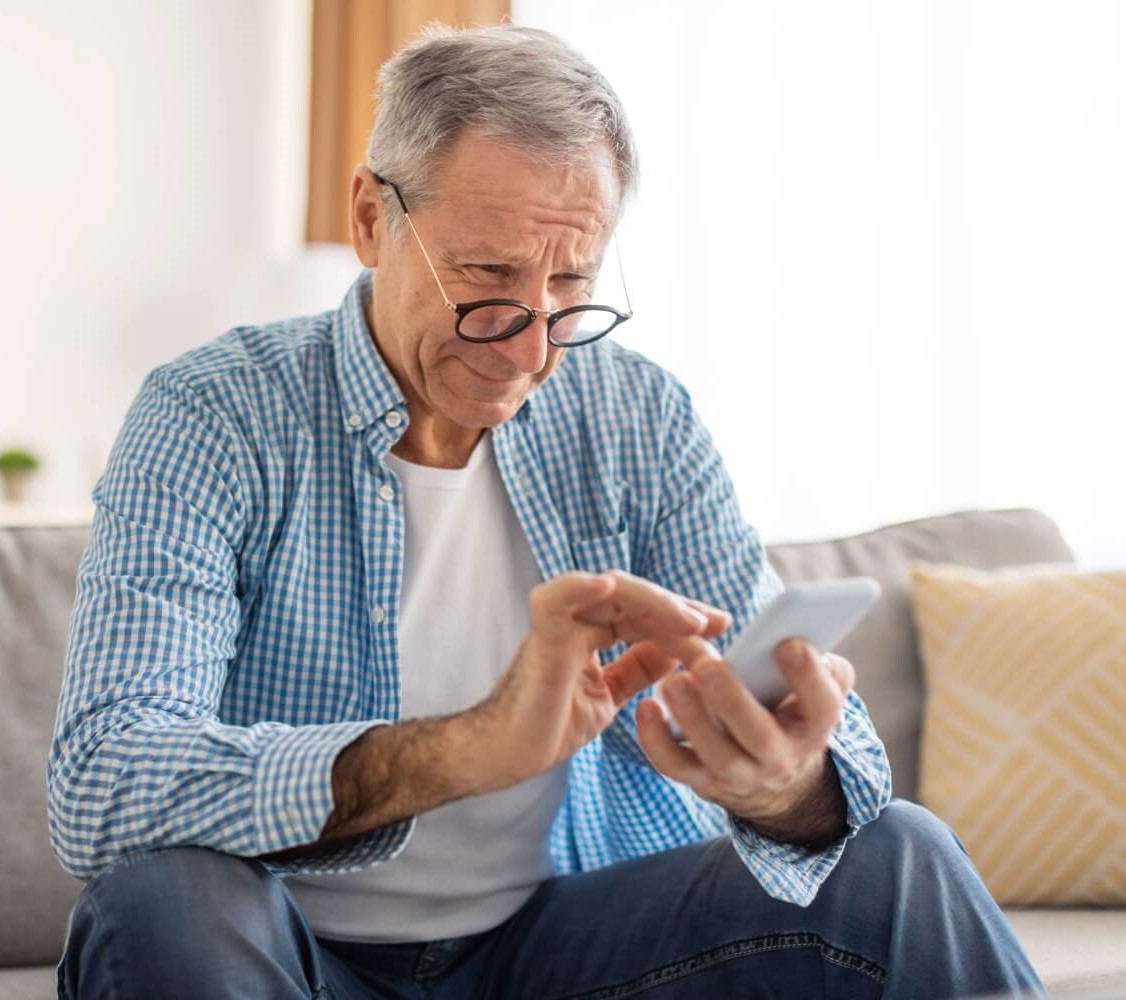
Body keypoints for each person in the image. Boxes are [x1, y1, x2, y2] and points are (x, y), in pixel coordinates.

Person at [50, 23, 1042, 1000]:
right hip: (291, 948)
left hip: (566, 948)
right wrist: (468, 747)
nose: (529, 350)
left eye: (569, 285)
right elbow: (103, 777)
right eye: (484, 277)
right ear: (368, 217)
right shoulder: (213, 413)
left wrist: (780, 784)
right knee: (162, 900)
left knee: (898, 853)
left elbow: (835, 757)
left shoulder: (635, 414)